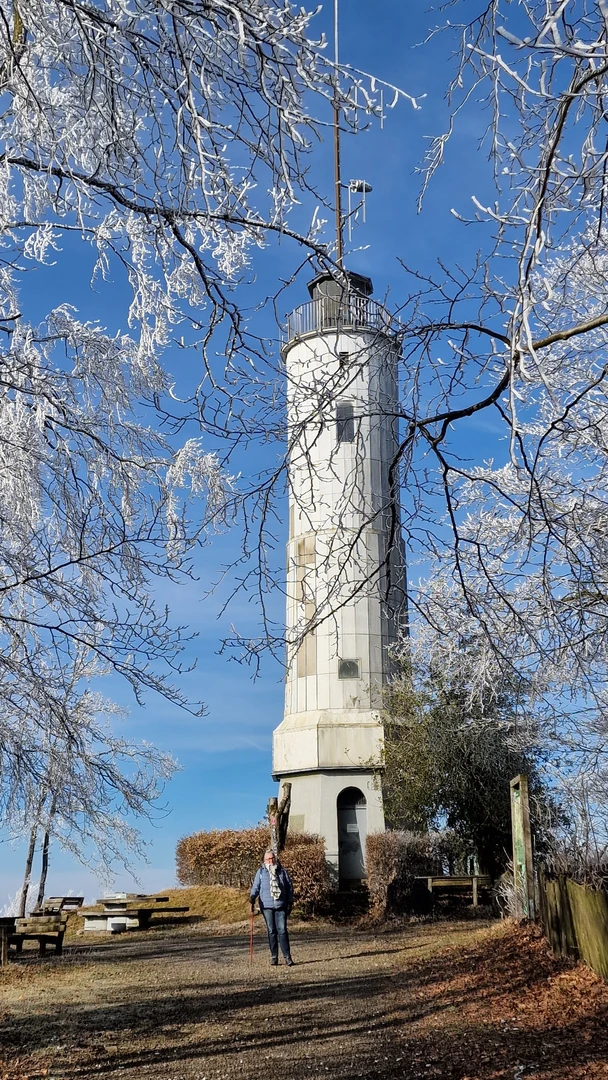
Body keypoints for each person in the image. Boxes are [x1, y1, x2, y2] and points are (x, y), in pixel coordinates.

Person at [250, 849, 294, 966]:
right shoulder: (260, 872)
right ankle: (274, 957)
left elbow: (289, 886)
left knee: (282, 930)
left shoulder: (282, 871)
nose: (271, 860)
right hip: (267, 906)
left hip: (280, 904)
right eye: (269, 859)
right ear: (265, 860)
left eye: (273, 858)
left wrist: (290, 901)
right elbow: (256, 887)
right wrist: (252, 897)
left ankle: (287, 957)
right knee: (271, 931)